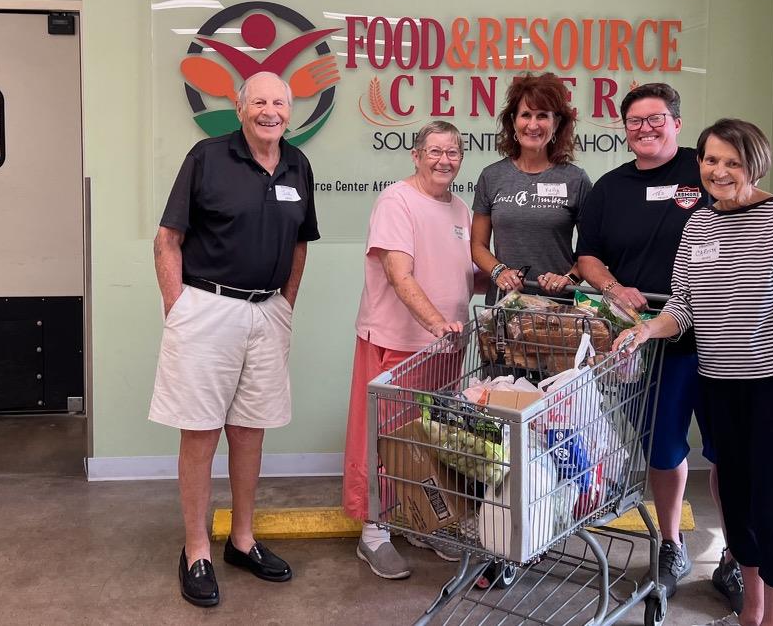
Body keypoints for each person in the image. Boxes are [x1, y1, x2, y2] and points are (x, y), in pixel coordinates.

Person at [615, 118, 773, 626]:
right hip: (719, 386)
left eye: (732, 162)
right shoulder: (698, 224)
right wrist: (648, 330)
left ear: (754, 164)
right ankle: (751, 613)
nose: (719, 171)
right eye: (711, 160)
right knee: (737, 509)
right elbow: (684, 304)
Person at [149, 71, 319, 608]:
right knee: (200, 432)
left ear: (290, 111)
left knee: (250, 431)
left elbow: (299, 243)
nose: (270, 111)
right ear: (239, 108)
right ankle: (197, 547)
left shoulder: (298, 164)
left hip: (268, 313)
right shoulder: (207, 157)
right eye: (259, 102)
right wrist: (179, 309)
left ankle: (241, 540)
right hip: (206, 308)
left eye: (279, 102)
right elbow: (167, 239)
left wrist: (285, 305)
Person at [573, 82, 741, 609]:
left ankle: (738, 556)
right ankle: (670, 545)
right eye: (635, 121)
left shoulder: (706, 169)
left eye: (656, 119)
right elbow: (588, 257)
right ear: (624, 129)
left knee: (730, 453)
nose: (645, 129)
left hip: (722, 341)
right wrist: (611, 288)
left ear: (675, 121)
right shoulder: (609, 188)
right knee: (664, 450)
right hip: (649, 340)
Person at [343, 120, 481, 579]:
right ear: (416, 155)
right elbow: (400, 275)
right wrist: (436, 323)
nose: (445, 160)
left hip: (446, 348)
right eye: (435, 151)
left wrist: (504, 277)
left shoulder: (460, 209)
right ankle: (373, 532)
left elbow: (461, 274)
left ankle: (425, 521)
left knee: (434, 443)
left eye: (454, 152)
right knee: (385, 440)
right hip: (398, 343)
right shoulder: (396, 201)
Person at [471, 72, 593, 300]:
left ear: (556, 123)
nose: (533, 125)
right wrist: (499, 272)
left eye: (543, 116)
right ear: (513, 121)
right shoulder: (492, 176)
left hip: (558, 311)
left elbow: (593, 251)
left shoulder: (576, 179)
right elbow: (477, 245)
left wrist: (569, 278)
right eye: (526, 114)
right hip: (504, 306)